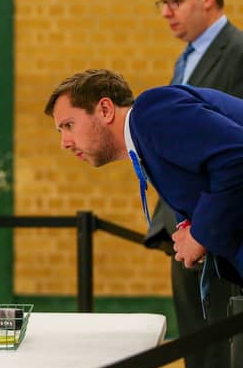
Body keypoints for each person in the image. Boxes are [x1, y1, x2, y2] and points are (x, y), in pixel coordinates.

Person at [146, 0, 243, 368]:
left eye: (176, 0)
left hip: (218, 232)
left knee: (225, 360)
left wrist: (202, 230)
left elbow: (229, 153)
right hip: (183, 232)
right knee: (197, 354)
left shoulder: (238, 52)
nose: (167, 12)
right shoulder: (187, 58)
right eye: (162, 3)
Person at [45, 69, 243, 285]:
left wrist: (199, 235)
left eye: (69, 125)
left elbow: (236, 159)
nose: (64, 142)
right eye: (60, 131)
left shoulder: (151, 112)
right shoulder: (145, 139)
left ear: (104, 109)